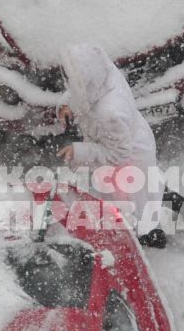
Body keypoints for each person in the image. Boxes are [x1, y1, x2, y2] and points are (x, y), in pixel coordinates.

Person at [57, 44, 167, 246]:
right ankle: (167, 203)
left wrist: (79, 151)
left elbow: (117, 155)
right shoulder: (103, 74)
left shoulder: (110, 113)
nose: (67, 82)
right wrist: (67, 104)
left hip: (129, 159)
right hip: (127, 140)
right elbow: (82, 90)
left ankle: (149, 236)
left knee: (133, 205)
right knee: (146, 191)